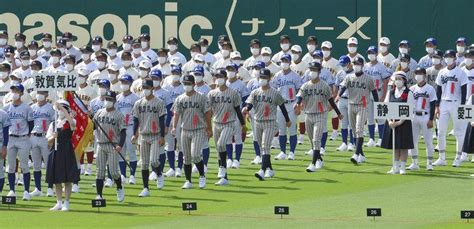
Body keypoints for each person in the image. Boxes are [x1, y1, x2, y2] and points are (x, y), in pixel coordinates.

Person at [242, 68, 291, 180]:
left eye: (264, 77)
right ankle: (270, 169)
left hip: (270, 122)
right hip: (258, 122)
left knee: (265, 146)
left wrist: (287, 120)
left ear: (269, 78)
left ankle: (262, 170)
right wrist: (246, 109)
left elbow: (282, 106)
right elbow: (249, 104)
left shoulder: (275, 92)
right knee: (262, 147)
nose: (262, 79)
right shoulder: (255, 92)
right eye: (261, 77)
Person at [294, 62, 343, 172]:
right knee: (312, 140)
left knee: (316, 139)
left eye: (315, 70)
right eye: (311, 69)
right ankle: (319, 159)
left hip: (321, 115)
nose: (312, 72)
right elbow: (299, 96)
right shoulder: (306, 85)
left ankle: (313, 163)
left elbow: (331, 100)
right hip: (308, 114)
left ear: (319, 71)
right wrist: (297, 104)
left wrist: (338, 113)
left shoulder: (324, 85)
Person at [172, 75, 212, 189]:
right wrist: (174, 127)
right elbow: (176, 113)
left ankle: (202, 176)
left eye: (189, 84)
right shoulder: (180, 98)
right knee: (187, 157)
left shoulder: (201, 97)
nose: (187, 86)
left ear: (194, 84)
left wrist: (209, 128)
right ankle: (188, 180)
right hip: (185, 129)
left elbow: (207, 113)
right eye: (185, 84)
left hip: (198, 129)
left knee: (195, 155)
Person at [336, 57, 378, 165]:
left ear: (362, 65)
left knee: (359, 129)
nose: (356, 65)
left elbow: (374, 92)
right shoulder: (349, 77)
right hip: (351, 104)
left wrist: (378, 104)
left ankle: (356, 154)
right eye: (354, 63)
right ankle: (362, 155)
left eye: (358, 64)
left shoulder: (368, 78)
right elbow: (343, 87)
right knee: (354, 131)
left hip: (363, 106)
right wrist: (338, 96)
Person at [208, 70, 245, 185]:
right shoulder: (212, 93)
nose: (218, 78)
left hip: (229, 123)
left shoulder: (233, 93)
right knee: (219, 149)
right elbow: (208, 110)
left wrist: (243, 124)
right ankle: (224, 178)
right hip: (216, 123)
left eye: (221, 76)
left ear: (225, 78)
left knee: (221, 144)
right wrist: (207, 126)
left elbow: (238, 109)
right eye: (217, 76)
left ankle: (222, 168)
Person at [132, 79, 167, 196]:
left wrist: (162, 136)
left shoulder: (158, 102)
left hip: (155, 135)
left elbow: (162, 120)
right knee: (144, 163)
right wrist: (134, 134)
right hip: (143, 135)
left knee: (154, 160)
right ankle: (146, 188)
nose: (145, 89)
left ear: (152, 88)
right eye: (144, 87)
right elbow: (135, 120)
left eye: (147, 87)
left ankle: (159, 174)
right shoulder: (138, 103)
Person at [434, 50, 468, 167]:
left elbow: (464, 90)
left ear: (454, 58)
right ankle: (442, 158)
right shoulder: (442, 72)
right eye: (446, 57)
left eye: (450, 57)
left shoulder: (460, 72)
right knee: (441, 131)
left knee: (459, 132)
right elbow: (438, 90)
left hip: (456, 102)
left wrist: (462, 106)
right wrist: (437, 106)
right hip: (443, 102)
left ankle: (458, 158)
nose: (448, 59)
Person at [45, 100, 79, 211]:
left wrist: (64, 109)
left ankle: (67, 202)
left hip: (67, 150)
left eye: (62, 109)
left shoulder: (70, 121)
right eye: (59, 109)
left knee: (67, 178)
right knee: (56, 178)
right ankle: (59, 202)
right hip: (56, 150)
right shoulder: (53, 123)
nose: (60, 111)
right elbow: (48, 141)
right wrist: (53, 137)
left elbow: (73, 126)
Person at [93, 91, 126, 202]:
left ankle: (120, 187)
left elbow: (123, 131)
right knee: (100, 171)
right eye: (106, 99)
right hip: (101, 144)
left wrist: (120, 145)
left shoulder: (119, 115)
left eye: (110, 99)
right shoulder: (98, 113)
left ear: (114, 101)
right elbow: (93, 127)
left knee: (114, 171)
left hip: (113, 145)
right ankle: (99, 195)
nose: (107, 101)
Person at [381, 72, 415, 175]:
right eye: (396, 79)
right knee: (395, 145)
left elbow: (409, 108)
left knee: (403, 146)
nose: (398, 81)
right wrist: (390, 121)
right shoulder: (390, 92)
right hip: (392, 121)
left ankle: (403, 167)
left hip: (404, 122)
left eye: (400, 79)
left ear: (404, 80)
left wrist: (400, 122)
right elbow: (385, 106)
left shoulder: (408, 93)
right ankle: (395, 167)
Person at [4, 83, 33, 200]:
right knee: (11, 166)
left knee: (25, 165)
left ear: (21, 93)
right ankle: (12, 190)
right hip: (11, 138)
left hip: (23, 138)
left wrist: (27, 133)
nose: (14, 93)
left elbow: (31, 123)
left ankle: (26, 191)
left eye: (16, 91)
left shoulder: (26, 107)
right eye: (13, 91)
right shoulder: (6, 107)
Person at [272, 54, 302, 161]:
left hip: (292, 103)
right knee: (281, 130)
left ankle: (292, 152)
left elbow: (300, 91)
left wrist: (299, 104)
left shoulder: (295, 76)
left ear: (290, 62)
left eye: (286, 61)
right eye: (282, 60)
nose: (284, 63)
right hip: (280, 105)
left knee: (292, 129)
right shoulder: (277, 76)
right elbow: (273, 90)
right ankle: (283, 152)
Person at [408, 68, 437, 171]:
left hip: (426, 115)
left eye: (420, 73)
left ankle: (429, 163)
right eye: (416, 73)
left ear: (425, 75)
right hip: (414, 116)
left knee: (428, 141)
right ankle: (415, 163)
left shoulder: (430, 88)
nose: (418, 76)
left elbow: (433, 105)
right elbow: (408, 104)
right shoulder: (412, 89)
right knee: (413, 141)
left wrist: (431, 119)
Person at [29, 91, 55, 197]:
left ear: (46, 95)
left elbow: (54, 122)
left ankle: (49, 188)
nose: (39, 95)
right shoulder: (32, 107)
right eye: (38, 92)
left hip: (46, 137)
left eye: (42, 93)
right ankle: (37, 188)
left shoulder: (50, 107)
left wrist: (52, 138)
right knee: (36, 165)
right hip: (34, 136)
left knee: (49, 164)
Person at [364, 46, 391, 147]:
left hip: (378, 92)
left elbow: (385, 81)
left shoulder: (381, 66)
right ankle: (371, 139)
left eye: (372, 52)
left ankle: (380, 138)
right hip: (368, 93)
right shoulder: (365, 66)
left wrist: (384, 95)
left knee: (380, 117)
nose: (370, 54)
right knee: (370, 117)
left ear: (376, 54)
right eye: (369, 52)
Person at [116, 75, 139, 184]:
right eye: (122, 82)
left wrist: (136, 132)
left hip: (130, 126)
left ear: (130, 83)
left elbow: (137, 117)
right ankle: (123, 175)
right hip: (120, 128)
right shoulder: (117, 98)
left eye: (125, 82)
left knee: (131, 152)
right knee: (121, 152)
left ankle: (132, 175)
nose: (123, 84)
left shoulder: (135, 98)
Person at [0, 106, 10, 195]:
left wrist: (4, 146)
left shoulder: (3, 114)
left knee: (0, 171)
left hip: (0, 143)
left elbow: (6, 132)